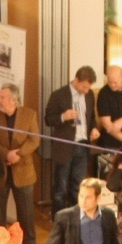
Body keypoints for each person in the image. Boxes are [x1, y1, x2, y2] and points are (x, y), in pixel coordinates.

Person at [0, 85, 40, 244]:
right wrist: (6, 154)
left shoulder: (29, 115)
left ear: (13, 100)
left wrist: (19, 154)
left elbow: (34, 140)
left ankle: (29, 241)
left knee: (26, 210)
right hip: (1, 170)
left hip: (23, 170)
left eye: (2, 97)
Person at [42, 66, 98, 210]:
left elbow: (91, 117)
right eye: (84, 87)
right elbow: (48, 119)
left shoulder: (90, 95)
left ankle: (76, 218)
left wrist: (94, 129)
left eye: (88, 88)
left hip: (83, 145)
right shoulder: (58, 95)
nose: (86, 90)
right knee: (61, 187)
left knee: (78, 186)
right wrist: (63, 117)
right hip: (65, 147)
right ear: (76, 80)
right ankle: (59, 220)